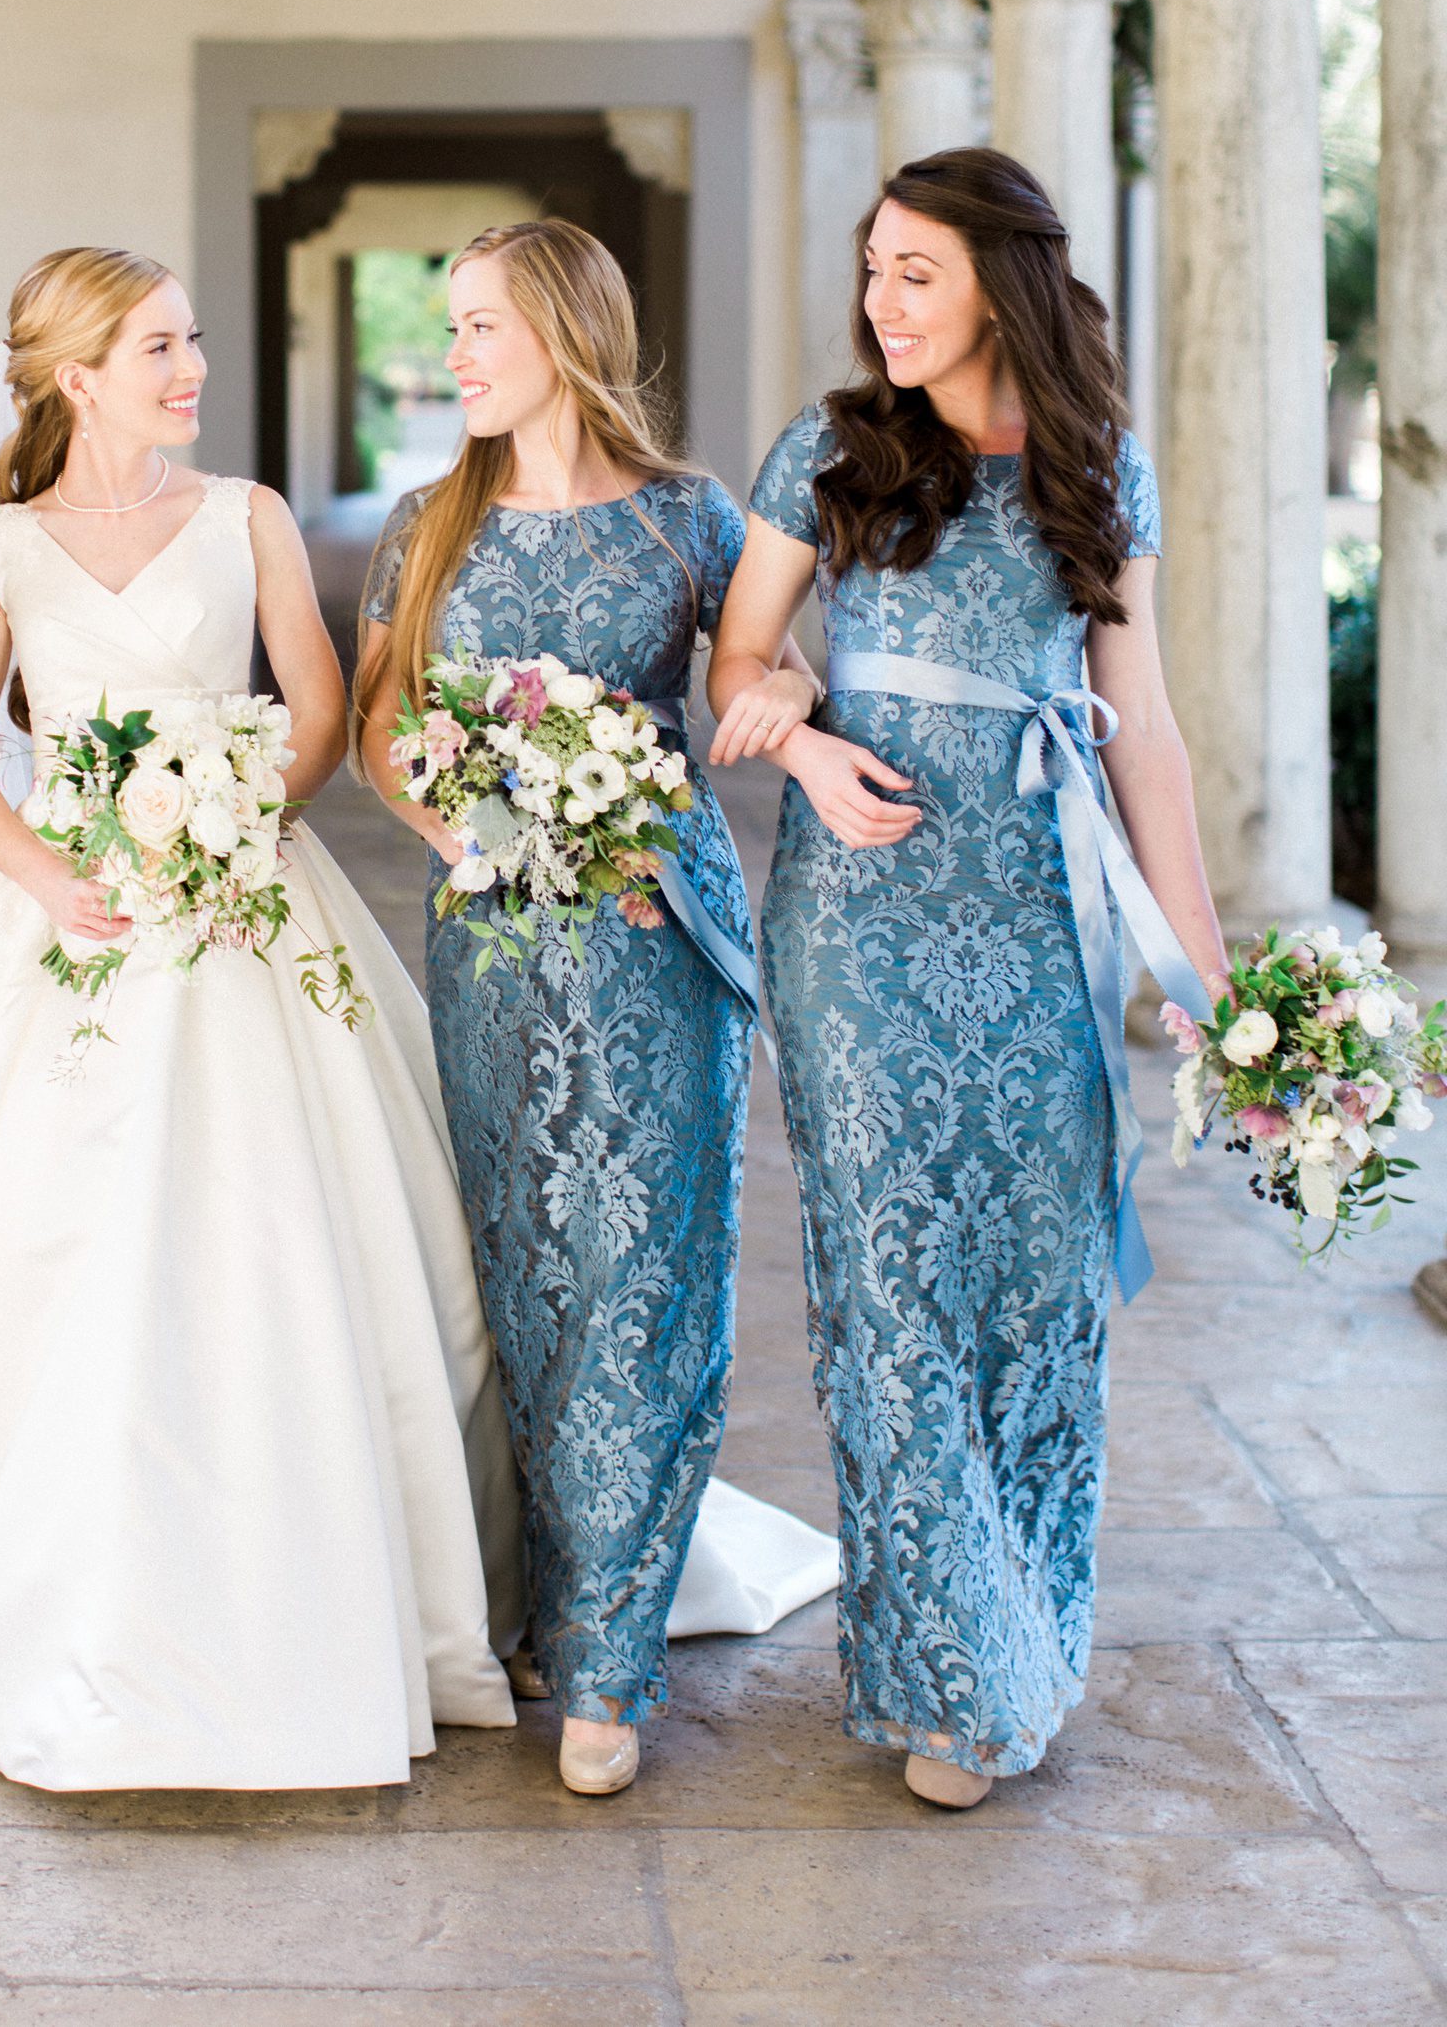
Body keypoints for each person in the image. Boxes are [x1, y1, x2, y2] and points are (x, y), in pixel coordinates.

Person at [0, 246, 521, 1791]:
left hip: (242, 896)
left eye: (193, 339)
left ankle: (316, 1571)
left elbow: (324, 712)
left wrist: (234, 822)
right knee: (40, 1237)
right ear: (78, 377)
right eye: (159, 346)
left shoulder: (249, 515)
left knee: (282, 1224)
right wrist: (47, 877)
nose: (192, 366)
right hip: (69, 911)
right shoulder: (4, 547)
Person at [708, 146, 1226, 1809]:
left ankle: (1024, 1630)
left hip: (1040, 917)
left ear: (1002, 281)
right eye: (873, 269)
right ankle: (953, 1677)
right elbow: (739, 654)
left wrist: (1206, 973)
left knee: (1037, 1288)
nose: (882, 299)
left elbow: (1143, 728)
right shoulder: (832, 449)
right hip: (859, 927)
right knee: (891, 1289)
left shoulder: (1099, 465)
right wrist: (801, 741)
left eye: (914, 270)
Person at [355, 220, 823, 1798]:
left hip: (660, 932)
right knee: (526, 1270)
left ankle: (615, 1658)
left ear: (561, 330)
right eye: (451, 326)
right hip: (495, 941)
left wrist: (788, 697)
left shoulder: (692, 517)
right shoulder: (426, 524)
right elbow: (380, 730)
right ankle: (549, 1600)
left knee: (649, 1271)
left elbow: (767, 667)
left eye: (479, 324)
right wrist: (492, 836)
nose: (456, 355)